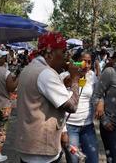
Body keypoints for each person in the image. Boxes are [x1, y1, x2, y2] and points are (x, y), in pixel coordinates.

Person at [15, 32, 81, 163]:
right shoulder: (46, 74)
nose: (66, 57)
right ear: (50, 54)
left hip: (30, 146)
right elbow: (72, 106)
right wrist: (74, 79)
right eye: (63, 52)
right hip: (41, 151)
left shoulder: (30, 68)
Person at [61, 50, 99, 163]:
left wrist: (100, 102)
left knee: (93, 159)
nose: (86, 65)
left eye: (89, 62)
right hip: (70, 127)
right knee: (74, 160)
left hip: (87, 127)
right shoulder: (64, 77)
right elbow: (57, 106)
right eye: (83, 61)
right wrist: (63, 131)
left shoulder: (92, 76)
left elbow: (97, 95)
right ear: (76, 62)